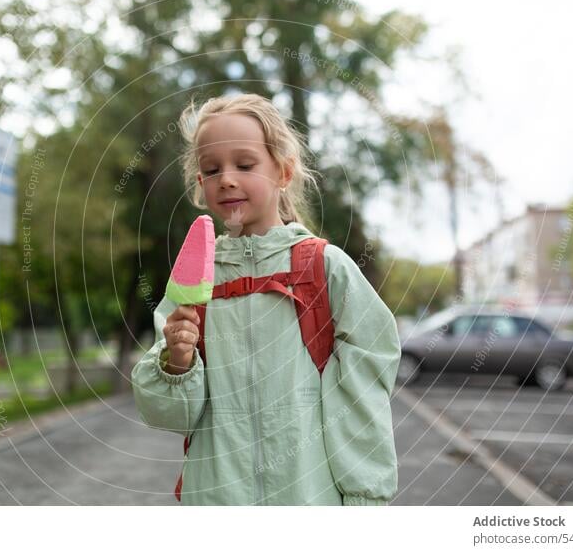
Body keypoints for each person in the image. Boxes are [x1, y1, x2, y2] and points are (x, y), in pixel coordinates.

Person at [131, 92, 401, 505]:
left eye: (244, 164)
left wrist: (365, 498)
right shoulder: (195, 280)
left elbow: (365, 396)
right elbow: (170, 416)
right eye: (211, 169)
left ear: (284, 171)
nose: (227, 178)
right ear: (200, 184)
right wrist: (177, 362)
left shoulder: (324, 267)